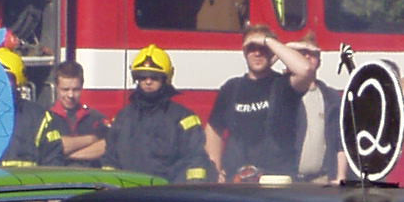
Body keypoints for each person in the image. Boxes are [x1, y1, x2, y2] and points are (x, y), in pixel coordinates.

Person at [204, 25, 310, 182]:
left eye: (263, 48)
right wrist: (216, 170)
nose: (257, 53)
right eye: (251, 48)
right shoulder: (231, 88)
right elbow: (214, 129)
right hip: (237, 180)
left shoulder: (285, 85)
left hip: (276, 181)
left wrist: (269, 42)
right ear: (244, 52)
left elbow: (306, 70)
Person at [103, 46, 214, 183]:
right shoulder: (122, 118)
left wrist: (191, 190)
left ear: (165, 79)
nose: (148, 82)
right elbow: (110, 160)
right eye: (143, 77)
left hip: (166, 196)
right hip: (128, 195)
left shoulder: (184, 119)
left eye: (154, 77)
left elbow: (196, 161)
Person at [29, 59, 107, 167]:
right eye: (65, 89)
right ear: (56, 87)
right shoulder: (44, 118)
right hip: (58, 180)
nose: (70, 95)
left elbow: (106, 147)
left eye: (76, 89)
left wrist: (69, 154)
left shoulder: (94, 118)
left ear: (82, 86)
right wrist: (91, 139)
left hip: (89, 181)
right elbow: (51, 147)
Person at [288, 37, 339, 182]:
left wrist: (340, 177)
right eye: (302, 53)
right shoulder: (282, 93)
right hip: (289, 180)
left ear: (319, 62)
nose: (307, 56)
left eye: (312, 54)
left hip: (321, 180)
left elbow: (340, 141)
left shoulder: (331, 97)